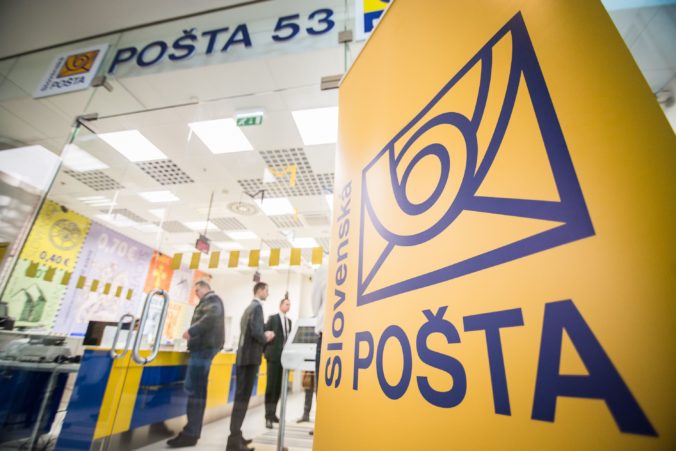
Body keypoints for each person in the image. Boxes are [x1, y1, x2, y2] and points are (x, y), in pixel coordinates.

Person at [167, 280, 224, 448]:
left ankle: (190, 433)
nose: (196, 294)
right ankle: (192, 431)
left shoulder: (212, 300)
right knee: (198, 392)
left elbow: (211, 316)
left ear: (205, 288)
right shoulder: (210, 301)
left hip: (202, 349)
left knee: (195, 392)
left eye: (197, 290)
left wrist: (191, 331)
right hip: (203, 348)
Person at [227, 282, 275, 451]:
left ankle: (236, 435)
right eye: (267, 290)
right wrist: (266, 336)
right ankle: (233, 441)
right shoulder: (257, 307)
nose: (268, 293)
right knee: (242, 400)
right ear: (260, 290)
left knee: (241, 398)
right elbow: (255, 332)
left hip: (244, 358)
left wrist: (261, 333)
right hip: (249, 360)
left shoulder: (249, 308)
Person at [264, 296, 292, 428]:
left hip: (284, 359)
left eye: (289, 304)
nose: (288, 306)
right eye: (286, 304)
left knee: (278, 387)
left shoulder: (289, 321)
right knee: (271, 386)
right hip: (273, 357)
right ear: (280, 305)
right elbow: (265, 334)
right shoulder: (273, 318)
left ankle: (273, 413)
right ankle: (268, 416)